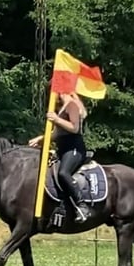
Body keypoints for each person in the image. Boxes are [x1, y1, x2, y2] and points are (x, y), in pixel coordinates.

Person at [28, 91, 90, 223]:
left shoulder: (72, 105)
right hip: (62, 149)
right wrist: (41, 139)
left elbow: (74, 128)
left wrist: (56, 119)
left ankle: (82, 205)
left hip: (74, 149)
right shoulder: (61, 108)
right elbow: (57, 133)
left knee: (63, 173)